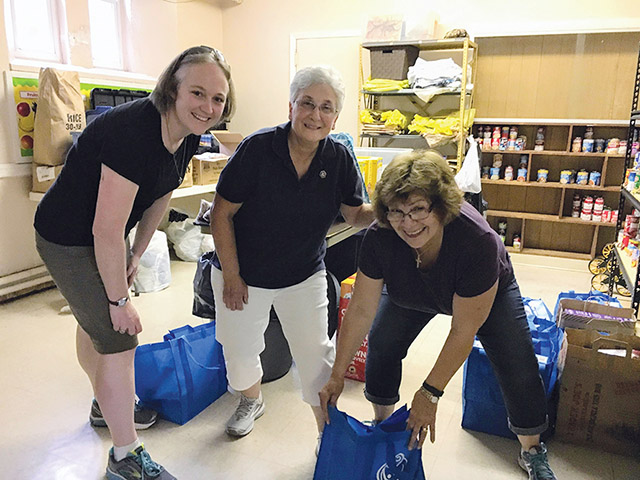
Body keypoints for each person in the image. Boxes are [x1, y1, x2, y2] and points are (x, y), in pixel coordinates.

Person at [34, 45, 235, 480]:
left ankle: (104, 405)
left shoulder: (187, 135)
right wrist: (118, 297)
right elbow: (103, 232)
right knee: (120, 337)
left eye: (217, 99)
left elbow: (159, 194)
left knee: (98, 326)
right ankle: (125, 458)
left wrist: (137, 252)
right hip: (66, 237)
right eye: (197, 93)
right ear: (173, 89)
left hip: (100, 233)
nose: (207, 106)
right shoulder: (134, 132)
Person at [319, 150, 557, 480]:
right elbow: (360, 309)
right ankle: (384, 423)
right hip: (411, 289)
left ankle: (532, 450)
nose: (409, 223)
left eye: (419, 209)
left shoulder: (478, 242)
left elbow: (463, 331)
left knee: (516, 362)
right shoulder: (380, 236)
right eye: (398, 212)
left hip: (484, 292)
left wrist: (429, 393)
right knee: (383, 342)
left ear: (442, 207)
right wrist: (337, 373)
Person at [210, 65, 374, 451]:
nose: (315, 115)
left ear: (335, 116)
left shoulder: (338, 157)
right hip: (244, 273)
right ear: (291, 107)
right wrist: (232, 276)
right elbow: (221, 213)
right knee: (239, 350)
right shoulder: (257, 148)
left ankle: (326, 432)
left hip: (303, 273)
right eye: (307, 103)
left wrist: (390, 208)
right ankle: (251, 400)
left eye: (326, 107)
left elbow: (354, 214)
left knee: (317, 357)